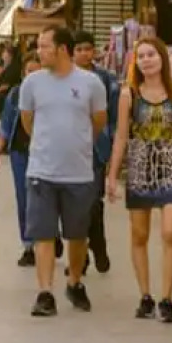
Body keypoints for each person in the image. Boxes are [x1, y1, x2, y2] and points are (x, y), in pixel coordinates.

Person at [106, 37, 172, 323]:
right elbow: (121, 136)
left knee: (170, 231)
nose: (146, 60)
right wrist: (112, 175)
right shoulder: (128, 94)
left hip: (170, 165)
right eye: (141, 56)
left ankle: (167, 297)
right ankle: (145, 295)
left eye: (151, 54)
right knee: (139, 234)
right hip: (140, 167)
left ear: (162, 58)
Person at [20, 26, 107, 317]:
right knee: (43, 234)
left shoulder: (91, 83)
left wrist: (78, 144)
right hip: (41, 170)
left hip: (79, 173)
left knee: (77, 233)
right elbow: (27, 122)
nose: (39, 51)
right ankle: (45, 292)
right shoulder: (32, 83)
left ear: (62, 49)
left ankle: (75, 281)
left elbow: (97, 122)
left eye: (45, 46)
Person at [0, 52, 43, 266]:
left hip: (46, 154)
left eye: (37, 71)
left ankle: (50, 235)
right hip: (20, 152)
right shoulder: (15, 94)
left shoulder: (53, 94)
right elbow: (5, 126)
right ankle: (29, 245)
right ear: (23, 73)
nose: (33, 76)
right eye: (29, 71)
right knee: (24, 199)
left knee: (45, 198)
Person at [73, 30, 116, 274]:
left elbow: (114, 117)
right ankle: (84, 253)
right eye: (78, 49)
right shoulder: (64, 78)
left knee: (93, 204)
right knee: (74, 206)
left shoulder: (106, 79)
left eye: (87, 49)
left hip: (97, 150)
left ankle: (96, 247)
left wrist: (113, 150)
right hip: (70, 150)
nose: (83, 54)